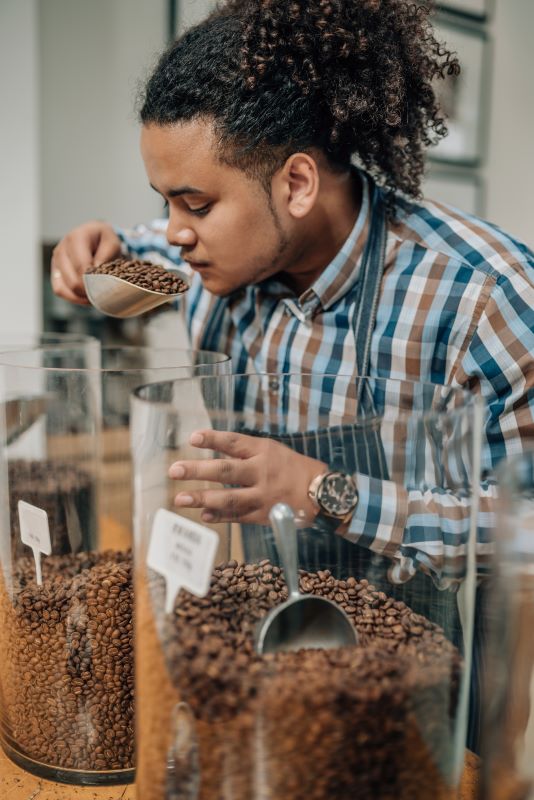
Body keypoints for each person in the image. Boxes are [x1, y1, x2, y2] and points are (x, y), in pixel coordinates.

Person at [51, 0, 534, 749]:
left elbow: (526, 533)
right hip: (265, 680)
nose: (176, 232)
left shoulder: (483, 298)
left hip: (428, 706)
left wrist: (322, 491)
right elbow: (145, 248)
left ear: (298, 184)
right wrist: (98, 250)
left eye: (195, 203)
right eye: (164, 202)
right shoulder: (215, 255)